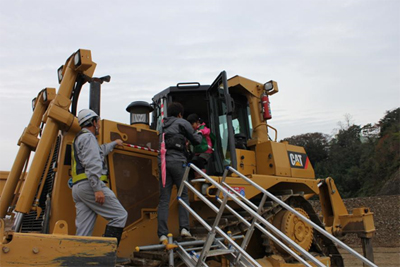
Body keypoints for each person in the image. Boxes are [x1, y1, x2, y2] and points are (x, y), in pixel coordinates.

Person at [71, 109, 128, 246]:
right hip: (90, 186)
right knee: (119, 216)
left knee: (83, 233)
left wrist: (114, 144)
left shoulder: (80, 138)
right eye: (98, 122)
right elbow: (93, 163)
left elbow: (99, 151)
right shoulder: (89, 137)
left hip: (79, 188)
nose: (99, 126)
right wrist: (97, 188)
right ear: (93, 122)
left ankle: (77, 259)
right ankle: (107, 254)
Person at [158, 102, 202, 243]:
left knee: (164, 199)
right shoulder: (182, 122)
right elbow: (195, 140)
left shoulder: (162, 125)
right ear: (179, 114)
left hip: (163, 163)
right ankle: (184, 229)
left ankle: (163, 234)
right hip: (178, 162)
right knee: (183, 194)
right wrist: (199, 133)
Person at [187, 114, 214, 178]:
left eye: (192, 124)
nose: (191, 126)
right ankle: (195, 175)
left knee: (200, 160)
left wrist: (200, 132)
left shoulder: (203, 128)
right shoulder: (193, 131)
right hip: (198, 152)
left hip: (206, 150)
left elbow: (207, 131)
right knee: (192, 162)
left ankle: (202, 174)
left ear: (197, 122)